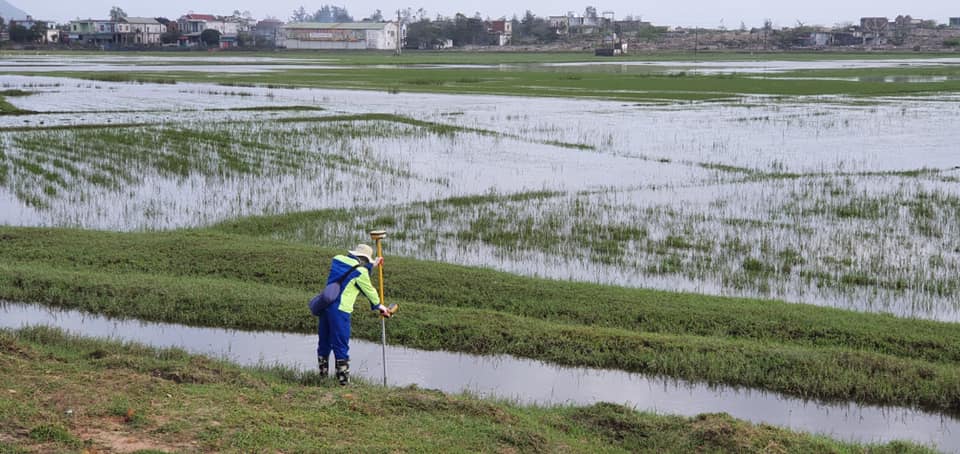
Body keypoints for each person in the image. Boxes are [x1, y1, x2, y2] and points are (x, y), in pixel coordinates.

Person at [318, 243, 391, 385]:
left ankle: (322, 377)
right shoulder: (361, 272)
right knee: (340, 344)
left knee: (324, 341)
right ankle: (343, 383)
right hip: (340, 310)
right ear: (364, 259)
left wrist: (372, 264)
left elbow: (354, 270)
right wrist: (380, 307)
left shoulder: (337, 259)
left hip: (325, 305)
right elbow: (369, 290)